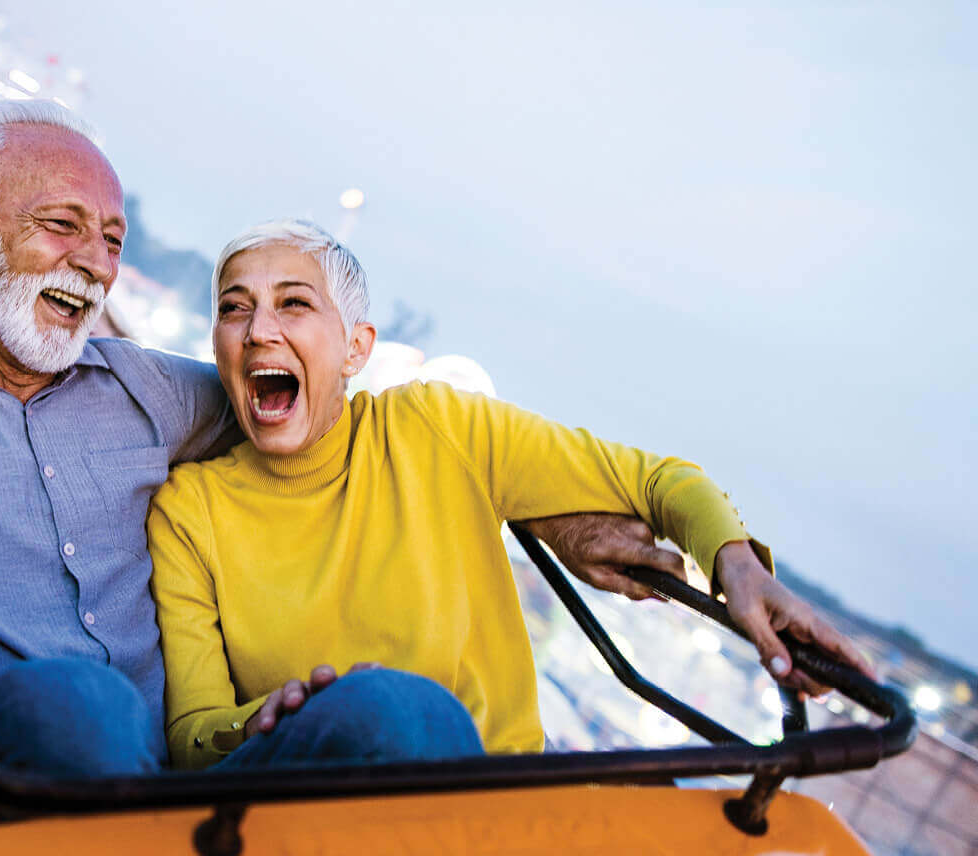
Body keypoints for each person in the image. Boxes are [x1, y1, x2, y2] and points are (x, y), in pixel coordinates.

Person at [0, 94, 736, 856]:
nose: (93, 261)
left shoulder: (154, 394)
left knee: (406, 717)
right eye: (61, 227)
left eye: (112, 239)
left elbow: (322, 409)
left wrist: (548, 507)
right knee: (77, 707)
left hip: (179, 809)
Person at [149, 220, 873, 769]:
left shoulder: (437, 427)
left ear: (356, 350)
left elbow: (658, 482)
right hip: (305, 818)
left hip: (499, 803)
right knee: (382, 712)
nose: (258, 331)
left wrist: (739, 571)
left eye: (293, 304)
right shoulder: (190, 512)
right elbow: (191, 737)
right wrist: (269, 721)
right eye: (235, 308)